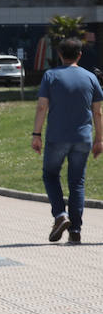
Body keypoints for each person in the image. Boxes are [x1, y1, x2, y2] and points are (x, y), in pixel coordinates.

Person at [32, 37, 103, 244]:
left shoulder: (50, 76)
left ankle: (60, 215)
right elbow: (97, 113)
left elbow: (42, 107)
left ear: (60, 55)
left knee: (50, 175)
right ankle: (76, 231)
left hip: (57, 137)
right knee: (77, 183)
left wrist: (36, 134)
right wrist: (99, 139)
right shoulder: (91, 78)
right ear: (80, 55)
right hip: (83, 139)